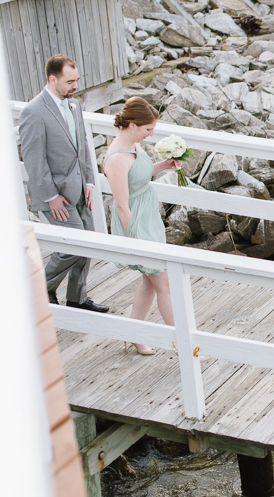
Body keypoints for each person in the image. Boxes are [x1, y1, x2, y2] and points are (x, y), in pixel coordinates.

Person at [19, 54, 108, 313]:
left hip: (80, 188)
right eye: (70, 81)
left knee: (88, 240)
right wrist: (50, 197)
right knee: (74, 244)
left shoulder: (75, 105)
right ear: (52, 79)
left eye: (77, 80)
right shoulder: (33, 112)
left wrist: (90, 181)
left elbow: (82, 147)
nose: (75, 86)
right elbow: (34, 161)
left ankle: (77, 298)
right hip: (55, 195)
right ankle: (39, 287)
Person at [104, 97, 181, 355]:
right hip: (136, 222)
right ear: (133, 125)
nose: (151, 135)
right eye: (148, 130)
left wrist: (164, 165)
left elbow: (140, 174)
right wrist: (136, 239)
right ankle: (184, 344)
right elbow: (122, 204)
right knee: (164, 284)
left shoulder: (135, 145)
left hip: (149, 217)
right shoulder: (116, 158)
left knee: (150, 283)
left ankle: (133, 334)